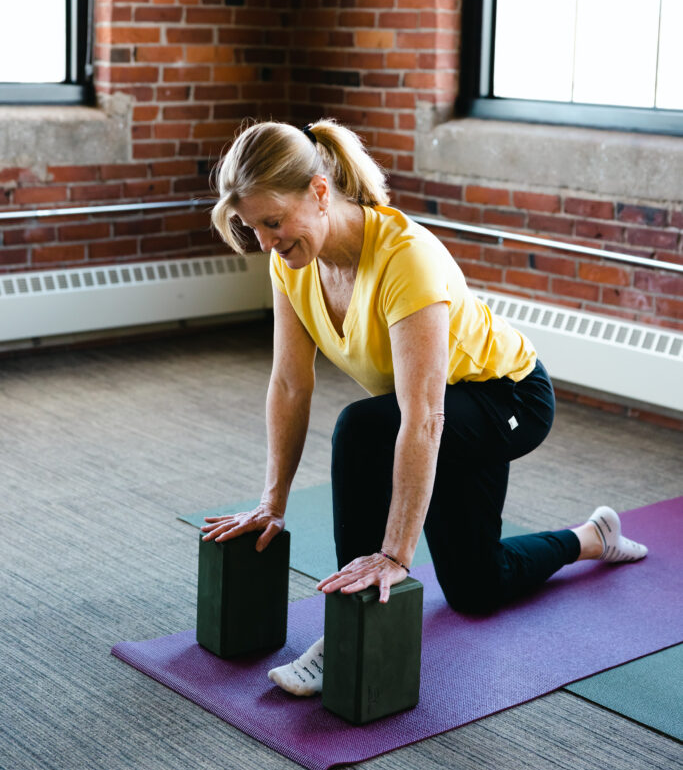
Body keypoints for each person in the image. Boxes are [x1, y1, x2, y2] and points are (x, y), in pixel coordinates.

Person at [201, 118, 648, 697]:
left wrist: (393, 555)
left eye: (272, 222)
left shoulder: (405, 259)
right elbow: (289, 384)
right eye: (251, 226)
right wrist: (272, 503)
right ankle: (593, 536)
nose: (264, 241)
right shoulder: (293, 263)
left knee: (362, 428)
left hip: (508, 395)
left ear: (317, 193)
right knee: (477, 588)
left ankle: (348, 621)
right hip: (446, 409)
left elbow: (424, 417)